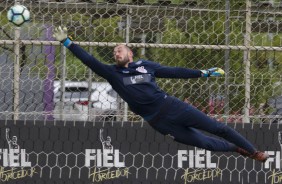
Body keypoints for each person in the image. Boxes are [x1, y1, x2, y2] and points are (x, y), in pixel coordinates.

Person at [53, 26, 269, 162]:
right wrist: (68, 42)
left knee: (218, 128)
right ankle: (238, 149)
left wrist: (201, 73)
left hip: (173, 107)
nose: (116, 52)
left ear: (130, 52)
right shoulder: (112, 73)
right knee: (205, 143)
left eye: (120, 49)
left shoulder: (145, 66)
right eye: (114, 51)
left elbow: (173, 72)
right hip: (160, 123)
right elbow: (89, 60)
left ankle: (254, 151)